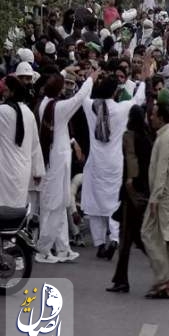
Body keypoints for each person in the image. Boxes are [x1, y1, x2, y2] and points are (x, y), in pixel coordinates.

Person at [34, 70, 97, 263]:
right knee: (54, 205)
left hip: (57, 161)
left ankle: (63, 248)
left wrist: (68, 71)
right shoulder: (59, 108)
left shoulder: (45, 103)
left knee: (61, 204)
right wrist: (89, 79)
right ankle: (43, 250)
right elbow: (79, 98)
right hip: (56, 164)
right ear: (59, 90)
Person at [82, 72, 146, 260]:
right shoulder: (122, 108)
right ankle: (115, 239)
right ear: (115, 92)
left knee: (95, 205)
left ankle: (100, 244)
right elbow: (138, 98)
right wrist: (143, 79)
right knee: (114, 203)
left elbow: (82, 95)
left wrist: (90, 78)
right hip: (116, 164)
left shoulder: (90, 107)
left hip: (95, 163)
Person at [108, 105, 152, 293]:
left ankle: (123, 279)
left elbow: (131, 158)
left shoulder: (129, 135)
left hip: (131, 193)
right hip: (145, 189)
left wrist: (129, 182)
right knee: (137, 237)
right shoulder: (149, 137)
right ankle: (121, 278)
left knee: (127, 238)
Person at [141, 96, 169, 299]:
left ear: (161, 118)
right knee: (167, 238)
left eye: (154, 115)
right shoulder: (165, 136)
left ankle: (163, 278)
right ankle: (167, 280)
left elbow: (162, 171)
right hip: (166, 194)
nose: (150, 117)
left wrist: (155, 198)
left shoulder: (166, 138)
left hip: (163, 196)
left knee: (149, 234)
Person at [0, 76, 44, 209]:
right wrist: (37, 171)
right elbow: (35, 145)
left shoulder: (3, 111)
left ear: (11, 92)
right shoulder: (29, 113)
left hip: (5, 170)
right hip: (23, 170)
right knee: (17, 209)